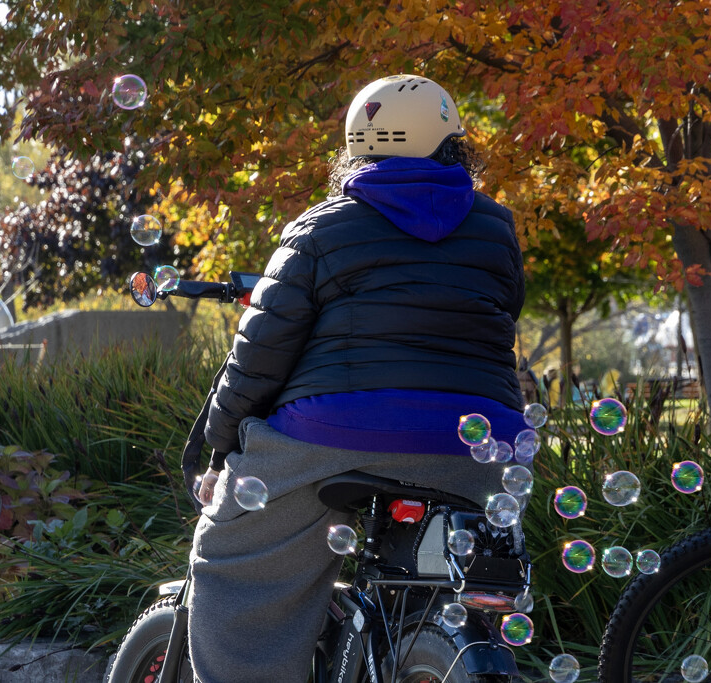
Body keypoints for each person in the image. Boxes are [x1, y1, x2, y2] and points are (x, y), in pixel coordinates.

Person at [188, 74, 526, 683]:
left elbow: (259, 356)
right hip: (479, 442)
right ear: (453, 142)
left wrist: (220, 447)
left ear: (356, 148)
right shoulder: (497, 229)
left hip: (336, 433)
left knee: (231, 562)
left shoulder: (319, 228)